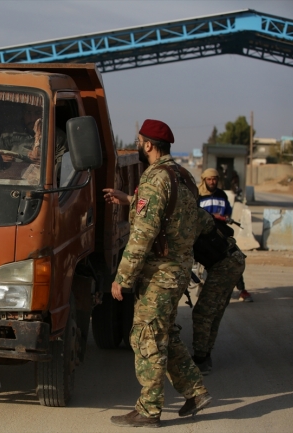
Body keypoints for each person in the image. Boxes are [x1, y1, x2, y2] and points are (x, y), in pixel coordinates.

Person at [107, 119, 211, 428]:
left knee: (145, 337)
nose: (138, 145)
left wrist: (122, 278)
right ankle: (195, 391)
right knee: (164, 334)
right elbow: (189, 220)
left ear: (149, 145)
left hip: (160, 274)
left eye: (139, 141)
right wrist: (128, 200)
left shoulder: (154, 178)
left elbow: (143, 233)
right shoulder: (183, 176)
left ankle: (149, 410)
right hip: (178, 270)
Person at [191, 207, 246, 375]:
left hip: (225, 264)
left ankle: (201, 359)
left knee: (203, 312)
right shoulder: (191, 212)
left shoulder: (191, 215)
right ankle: (205, 355)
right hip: (231, 261)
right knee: (214, 311)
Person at [198, 168, 253, 302]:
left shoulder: (221, 194)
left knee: (234, 257)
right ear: (204, 180)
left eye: (214, 179)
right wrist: (211, 216)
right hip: (202, 235)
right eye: (209, 179)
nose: (212, 182)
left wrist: (225, 216)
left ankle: (241, 290)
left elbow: (227, 210)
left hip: (221, 234)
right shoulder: (197, 195)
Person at [0, 105, 67, 165]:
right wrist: (2, 159)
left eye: (38, 113)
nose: (32, 118)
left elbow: (64, 168)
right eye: (28, 113)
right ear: (23, 114)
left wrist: (46, 162)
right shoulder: (10, 133)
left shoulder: (57, 137)